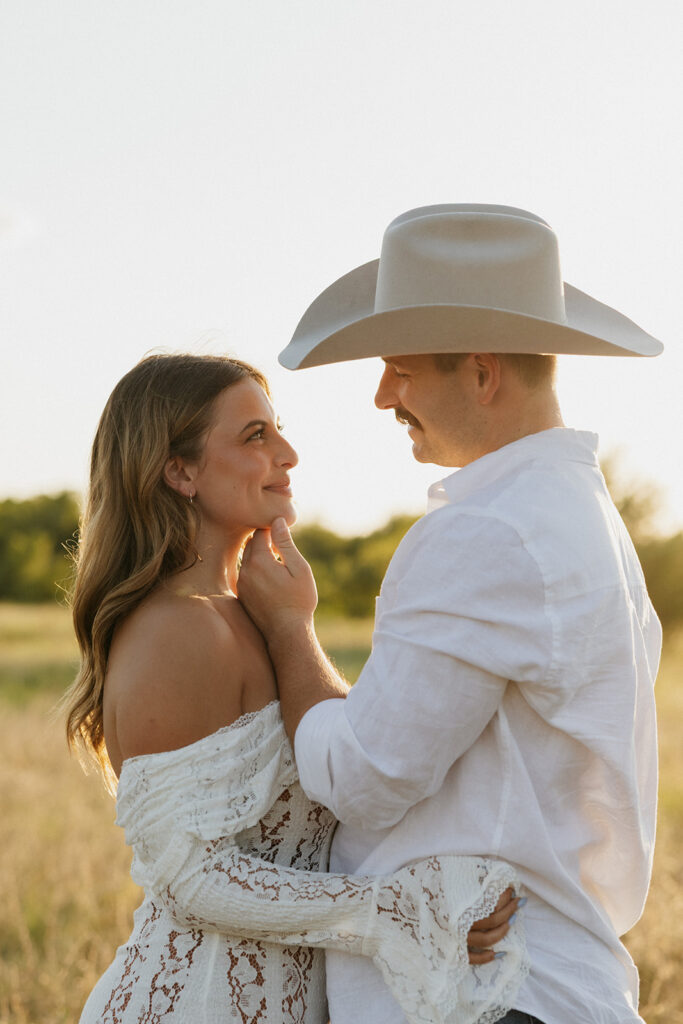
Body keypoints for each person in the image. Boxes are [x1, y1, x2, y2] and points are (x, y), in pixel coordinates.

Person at [237, 204, 663, 1024]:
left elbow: (364, 778)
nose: (380, 395)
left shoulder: (485, 530)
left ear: (479, 371)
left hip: (485, 994)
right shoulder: (581, 516)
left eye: (400, 368)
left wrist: (291, 631)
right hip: (534, 981)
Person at [63, 352, 525, 1024]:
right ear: (180, 471)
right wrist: (396, 906)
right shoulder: (175, 628)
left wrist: (294, 625)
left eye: (277, 429)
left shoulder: (254, 612)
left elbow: (348, 752)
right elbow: (191, 877)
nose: (289, 453)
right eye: (255, 436)